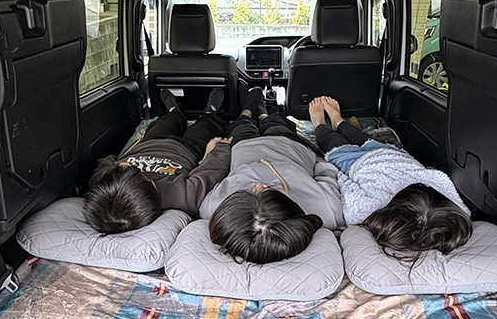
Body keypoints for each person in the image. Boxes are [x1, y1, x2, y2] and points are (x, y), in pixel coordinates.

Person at [309, 96, 472, 263]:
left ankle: (319, 123)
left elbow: (346, 185)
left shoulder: (362, 212)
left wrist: (335, 167)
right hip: (391, 155)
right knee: (360, 137)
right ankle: (338, 120)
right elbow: (440, 176)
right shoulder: (458, 214)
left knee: (332, 141)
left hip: (359, 163)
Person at [199, 89, 344, 264]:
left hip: (243, 146)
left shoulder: (212, 207)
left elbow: (210, 173)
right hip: (288, 144)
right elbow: (327, 170)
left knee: (241, 124)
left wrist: (209, 156)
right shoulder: (328, 208)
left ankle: (247, 112)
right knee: (277, 121)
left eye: (250, 192)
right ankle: (264, 113)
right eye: (271, 189)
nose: (259, 185)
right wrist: (318, 159)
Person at [83, 89, 232, 234]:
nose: (124, 164)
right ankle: (210, 112)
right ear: (153, 184)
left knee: (168, 121)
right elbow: (211, 171)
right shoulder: (183, 197)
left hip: (150, 143)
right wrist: (219, 148)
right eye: (135, 169)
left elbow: (106, 161)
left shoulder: (101, 183)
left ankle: (175, 111)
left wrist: (121, 159)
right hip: (186, 149)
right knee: (205, 125)